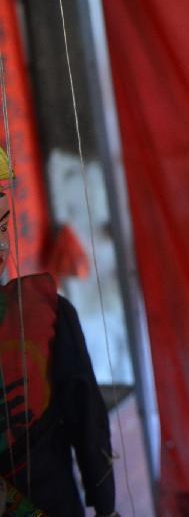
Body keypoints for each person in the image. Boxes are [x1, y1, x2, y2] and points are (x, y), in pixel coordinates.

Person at [0, 158, 116, 516]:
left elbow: (86, 417)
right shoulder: (46, 312)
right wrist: (107, 506)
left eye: (2, 226)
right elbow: (87, 421)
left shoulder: (45, 312)